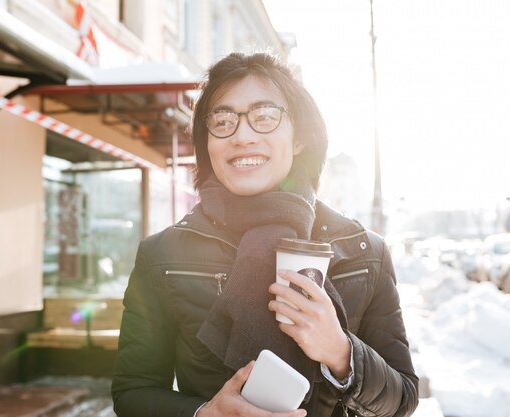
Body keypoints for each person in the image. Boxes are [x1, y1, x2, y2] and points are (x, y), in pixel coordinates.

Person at [112, 52, 419, 417]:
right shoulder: (162, 255)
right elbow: (133, 393)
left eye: (264, 117)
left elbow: (403, 400)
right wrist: (204, 413)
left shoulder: (363, 252)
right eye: (223, 121)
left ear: (300, 138)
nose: (242, 136)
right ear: (207, 144)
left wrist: (341, 352)